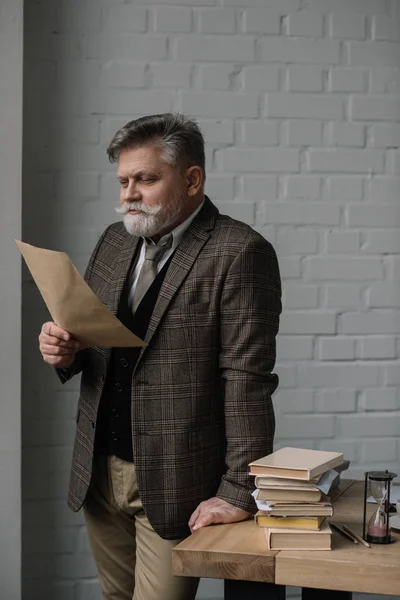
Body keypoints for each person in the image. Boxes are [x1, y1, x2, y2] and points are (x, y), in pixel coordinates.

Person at [38, 113, 281, 600]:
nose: (129, 194)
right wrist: (65, 352)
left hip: (177, 478)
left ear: (192, 179)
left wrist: (239, 491)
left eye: (145, 179)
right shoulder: (113, 240)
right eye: (124, 180)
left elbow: (247, 380)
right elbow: (93, 344)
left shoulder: (240, 251)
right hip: (98, 469)